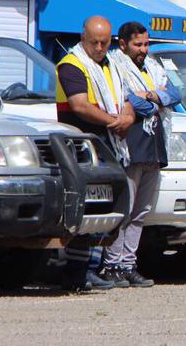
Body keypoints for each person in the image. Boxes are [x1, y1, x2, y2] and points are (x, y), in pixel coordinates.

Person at [55, 16, 135, 291]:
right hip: (82, 147)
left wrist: (127, 118)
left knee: (105, 210)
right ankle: (76, 271)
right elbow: (80, 106)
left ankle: (92, 267)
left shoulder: (111, 66)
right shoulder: (71, 65)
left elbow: (126, 100)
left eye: (104, 42)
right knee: (86, 210)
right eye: (94, 42)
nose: (100, 47)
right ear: (83, 38)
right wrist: (114, 121)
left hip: (109, 145)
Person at [99, 21, 181, 288]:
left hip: (154, 146)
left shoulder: (154, 68)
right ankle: (111, 264)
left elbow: (175, 94)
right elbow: (127, 100)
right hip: (130, 146)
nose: (143, 50)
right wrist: (153, 101)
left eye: (146, 44)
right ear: (123, 44)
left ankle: (128, 264)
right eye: (138, 44)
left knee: (141, 210)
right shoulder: (114, 67)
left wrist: (151, 96)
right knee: (124, 208)